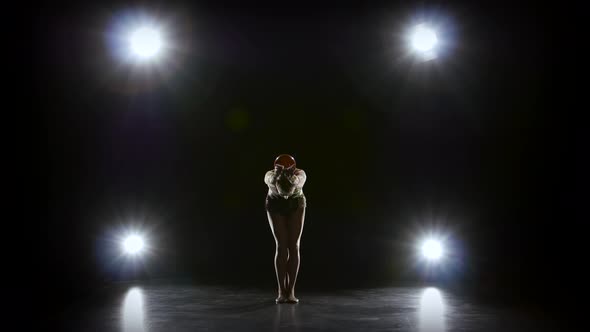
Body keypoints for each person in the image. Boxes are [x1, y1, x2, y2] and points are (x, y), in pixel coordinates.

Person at [264, 154, 307, 303]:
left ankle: (291, 290)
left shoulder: (300, 174)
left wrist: (292, 179)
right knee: (281, 246)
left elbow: (299, 182)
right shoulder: (270, 175)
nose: (285, 194)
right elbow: (269, 180)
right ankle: (281, 290)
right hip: (275, 204)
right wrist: (277, 176)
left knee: (294, 246)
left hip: (296, 204)